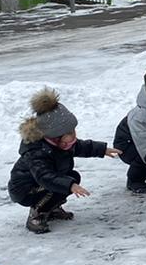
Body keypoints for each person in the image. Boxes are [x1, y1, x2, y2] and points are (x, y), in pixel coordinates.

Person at [8, 88, 119, 233]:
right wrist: (69, 186)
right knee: (61, 183)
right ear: (55, 135)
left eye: (74, 131)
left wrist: (101, 150)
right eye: (69, 133)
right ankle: (37, 213)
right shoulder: (36, 152)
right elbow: (44, 177)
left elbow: (80, 146)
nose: (74, 136)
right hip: (25, 190)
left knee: (72, 178)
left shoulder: (62, 143)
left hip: (41, 183)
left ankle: (50, 208)